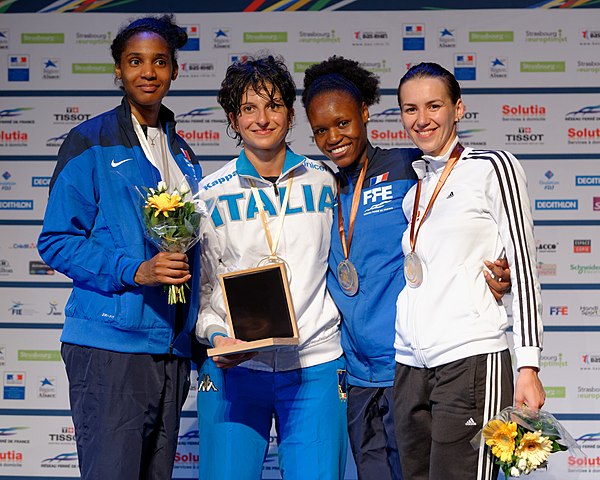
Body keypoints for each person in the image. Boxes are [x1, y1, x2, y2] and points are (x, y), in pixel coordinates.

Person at [301, 56, 511, 480]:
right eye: (321, 130)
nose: (333, 137)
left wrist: (497, 272)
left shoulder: (408, 167)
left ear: (364, 113)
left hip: (408, 366)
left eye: (343, 123)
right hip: (357, 374)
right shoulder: (317, 185)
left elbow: (460, 222)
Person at [37, 15, 202, 480]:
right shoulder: (88, 141)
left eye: (159, 62)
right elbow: (56, 242)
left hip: (169, 351)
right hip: (110, 350)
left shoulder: (184, 154)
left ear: (174, 71)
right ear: (118, 70)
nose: (147, 72)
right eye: (135, 61)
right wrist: (136, 270)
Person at [195, 55, 347, 480]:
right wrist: (218, 336)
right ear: (233, 118)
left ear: (291, 113)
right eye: (248, 108)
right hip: (238, 368)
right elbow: (203, 292)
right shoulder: (208, 194)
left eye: (274, 105)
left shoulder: (325, 180)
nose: (263, 119)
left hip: (314, 364)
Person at [393, 62, 545, 480]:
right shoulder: (415, 190)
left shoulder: (493, 166)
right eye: (409, 109)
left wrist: (529, 365)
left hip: (471, 359)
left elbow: (525, 268)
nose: (421, 119)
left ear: (458, 109)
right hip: (409, 364)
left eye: (434, 106)